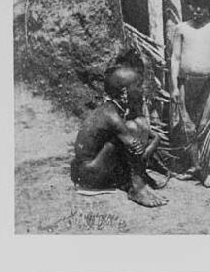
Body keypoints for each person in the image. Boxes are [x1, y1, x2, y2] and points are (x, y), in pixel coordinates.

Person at [71, 53, 168, 208]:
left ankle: (137, 180)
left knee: (134, 126)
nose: (142, 89)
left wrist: (154, 140)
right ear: (124, 93)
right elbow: (137, 150)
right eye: (138, 86)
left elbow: (143, 141)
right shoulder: (112, 116)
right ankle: (137, 188)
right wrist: (152, 146)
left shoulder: (113, 108)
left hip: (88, 172)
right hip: (90, 177)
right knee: (133, 127)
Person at [170, 0, 210, 188]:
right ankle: (196, 167)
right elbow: (175, 58)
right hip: (186, 82)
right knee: (188, 127)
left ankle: (204, 171)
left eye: (201, 7)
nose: (196, 10)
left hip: (209, 83)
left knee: (204, 127)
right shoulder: (181, 29)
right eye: (193, 6)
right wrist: (174, 87)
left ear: (208, 8)